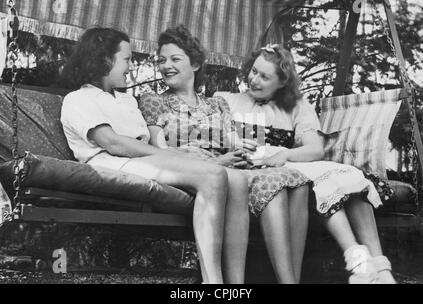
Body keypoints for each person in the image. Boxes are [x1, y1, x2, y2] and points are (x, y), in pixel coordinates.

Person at [59, 27, 249, 284]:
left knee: (236, 180)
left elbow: (155, 143)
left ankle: (237, 284)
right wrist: (167, 156)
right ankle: (212, 282)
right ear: (105, 60)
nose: (130, 66)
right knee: (214, 176)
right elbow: (112, 143)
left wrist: (174, 156)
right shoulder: (77, 99)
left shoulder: (125, 101)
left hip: (142, 160)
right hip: (110, 163)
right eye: (126, 59)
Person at [139, 25, 311, 284]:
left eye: (175, 59)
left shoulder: (216, 103)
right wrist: (217, 161)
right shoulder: (154, 100)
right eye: (162, 60)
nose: (166, 66)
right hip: (191, 170)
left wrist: (243, 149)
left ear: (195, 63)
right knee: (250, 181)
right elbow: (160, 152)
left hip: (228, 166)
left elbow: (233, 143)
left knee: (295, 180)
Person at [217, 43, 397, 284]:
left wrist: (285, 155)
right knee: (329, 181)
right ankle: (359, 262)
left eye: (264, 76)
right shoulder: (227, 101)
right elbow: (206, 139)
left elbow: (315, 149)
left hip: (289, 165)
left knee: (347, 176)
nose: (254, 80)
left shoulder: (297, 107)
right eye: (253, 71)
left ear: (282, 82)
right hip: (262, 172)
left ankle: (379, 269)